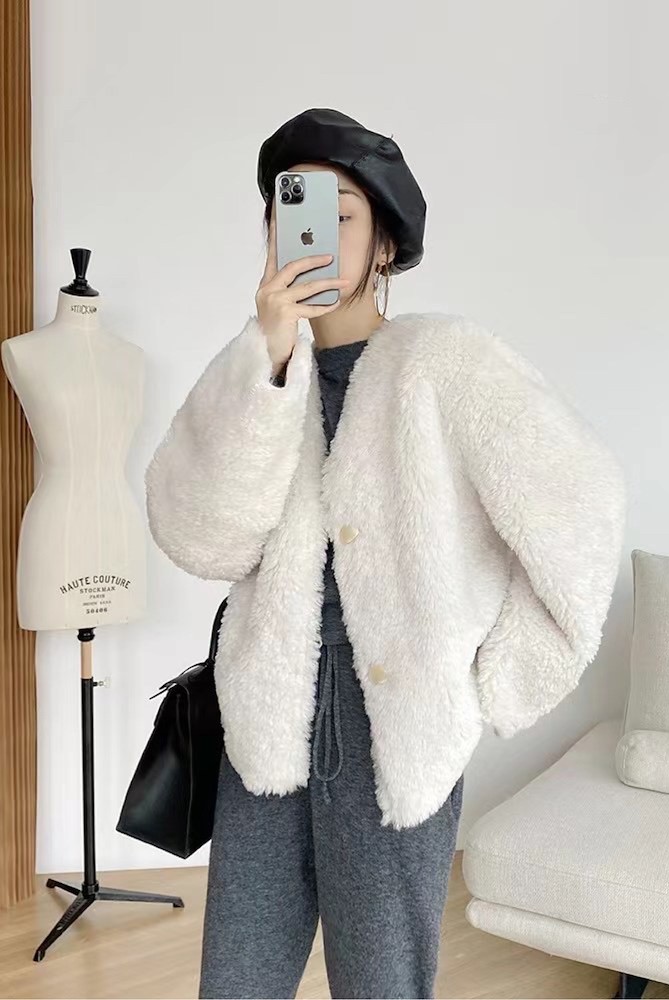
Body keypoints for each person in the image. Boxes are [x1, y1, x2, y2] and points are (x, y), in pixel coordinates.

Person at [144, 109, 627, 1000]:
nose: (317, 238)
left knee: (382, 984)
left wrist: (494, 681)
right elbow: (199, 537)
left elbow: (582, 503)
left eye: (343, 216)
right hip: (267, 718)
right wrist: (268, 361)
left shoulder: (446, 362)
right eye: (295, 214)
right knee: (236, 981)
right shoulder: (254, 375)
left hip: (393, 732)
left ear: (386, 246)